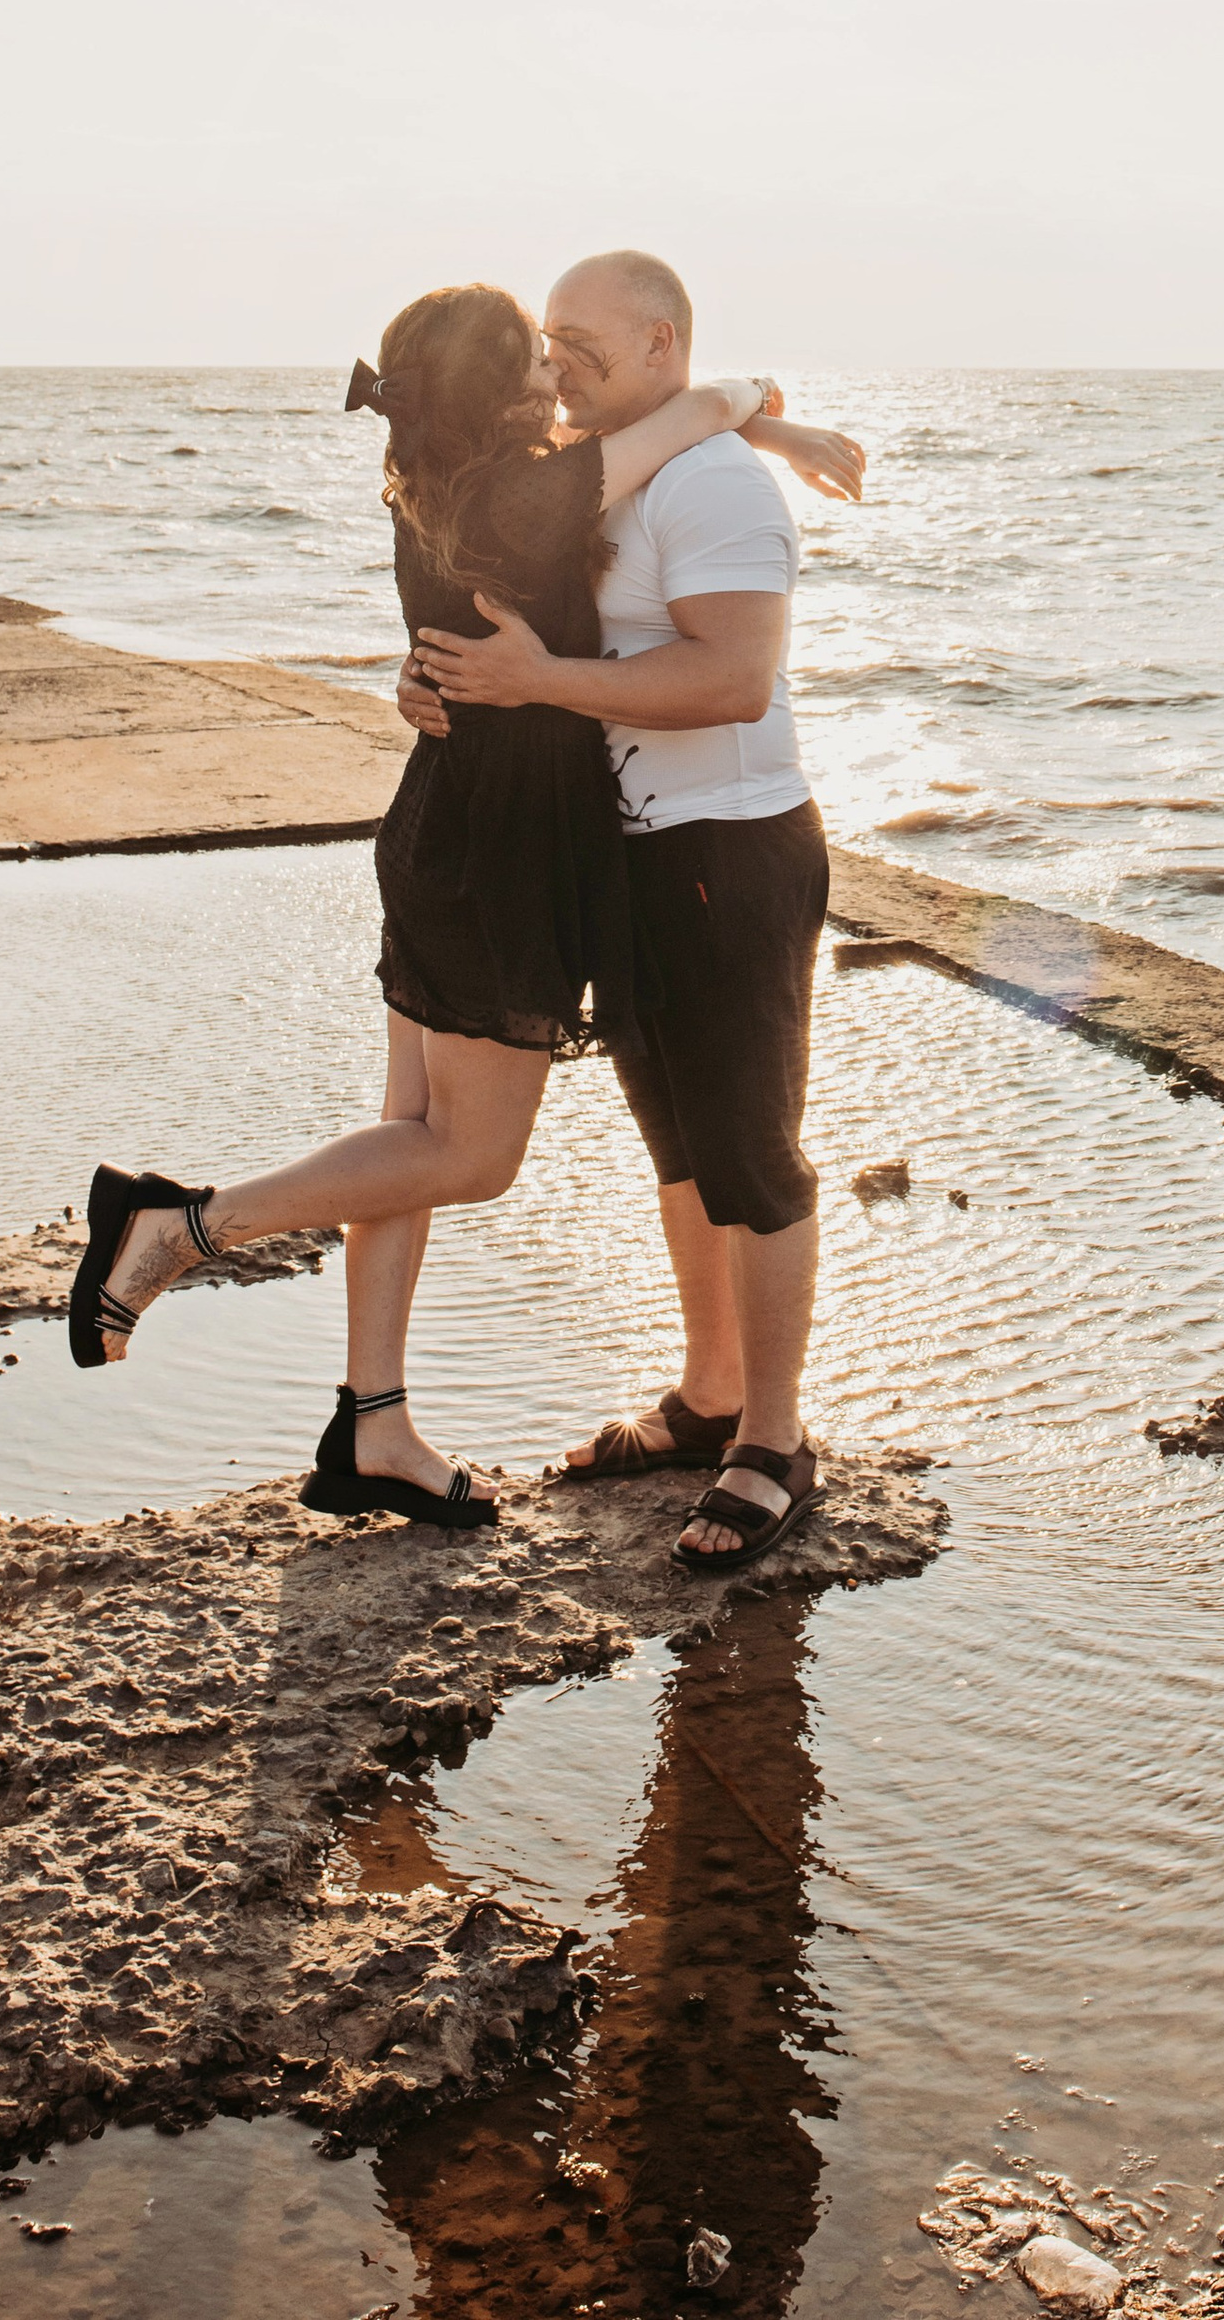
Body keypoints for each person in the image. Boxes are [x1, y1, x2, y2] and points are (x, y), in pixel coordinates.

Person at [64, 277, 814, 1533]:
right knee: (466, 1154)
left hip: (442, 822)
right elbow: (685, 416)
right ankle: (183, 1226)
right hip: (501, 855)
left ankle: (374, 1426)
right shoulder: (531, 491)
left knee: (406, 1136)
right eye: (539, 355)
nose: (556, 371)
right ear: (501, 391)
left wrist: (764, 425)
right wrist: (750, 402)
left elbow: (655, 438)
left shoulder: (443, 482)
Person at [406, 247, 863, 1571]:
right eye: (546, 341)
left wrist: (537, 681)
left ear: (660, 343)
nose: (554, 366)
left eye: (582, 343)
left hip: (730, 851)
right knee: (678, 1149)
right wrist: (436, 682)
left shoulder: (714, 485)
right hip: (631, 857)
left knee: (752, 1156)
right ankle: (709, 1394)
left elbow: (731, 679)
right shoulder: (612, 460)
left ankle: (774, 1441)